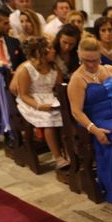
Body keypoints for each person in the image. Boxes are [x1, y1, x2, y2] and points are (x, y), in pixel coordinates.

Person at [67, 37, 112, 205]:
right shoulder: (77, 79)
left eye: (94, 60)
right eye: (86, 60)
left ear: (100, 56)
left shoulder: (109, 70)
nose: (90, 64)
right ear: (79, 56)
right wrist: (94, 129)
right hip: (97, 119)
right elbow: (76, 112)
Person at [14, 36, 68, 169]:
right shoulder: (26, 70)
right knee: (49, 121)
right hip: (31, 102)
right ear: (39, 52)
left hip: (50, 98)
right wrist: (39, 106)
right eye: (50, 49)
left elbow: (58, 87)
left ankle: (69, 153)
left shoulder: (54, 68)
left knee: (65, 118)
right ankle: (57, 157)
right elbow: (24, 94)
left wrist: (57, 98)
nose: (54, 51)